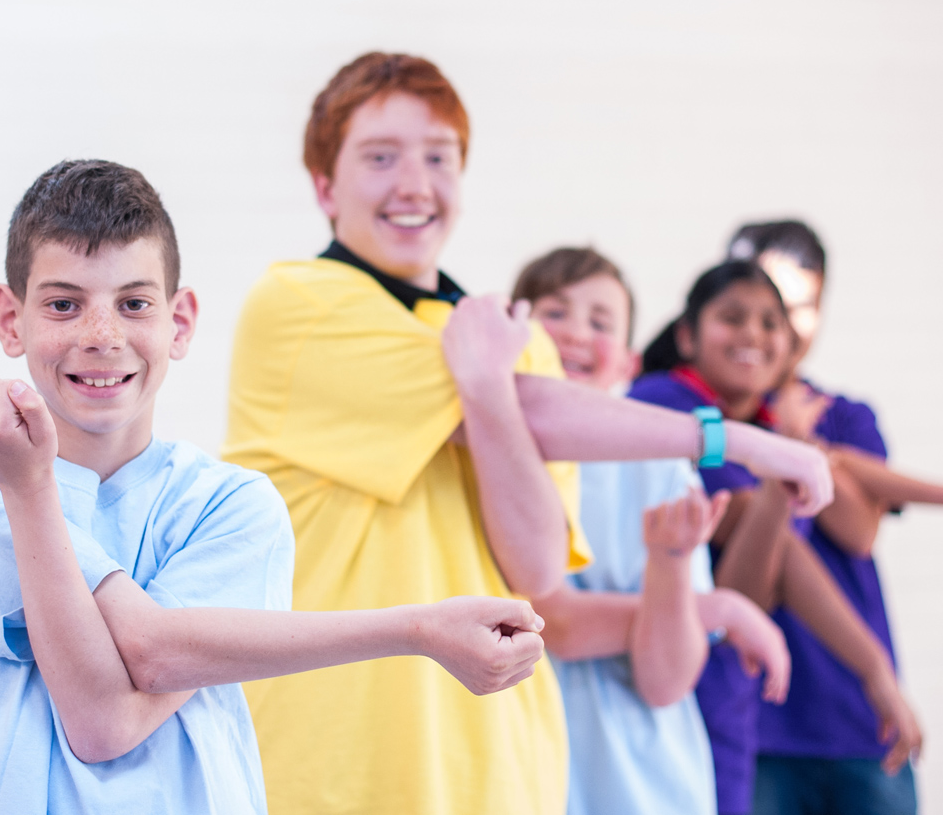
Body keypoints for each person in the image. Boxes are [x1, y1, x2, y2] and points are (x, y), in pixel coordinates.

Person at [223, 52, 833, 815]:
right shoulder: (298, 304)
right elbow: (533, 409)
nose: (414, 182)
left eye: (438, 158)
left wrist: (489, 387)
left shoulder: (510, 344)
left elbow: (539, 561)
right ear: (325, 186)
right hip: (331, 770)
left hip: (499, 775)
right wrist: (735, 440)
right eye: (381, 157)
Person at [0, 159, 557, 815]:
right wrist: (418, 628)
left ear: (180, 321)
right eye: (63, 304)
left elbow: (150, 658)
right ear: (9, 317)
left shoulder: (233, 506)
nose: (101, 337)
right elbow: (102, 721)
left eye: (134, 303)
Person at [633, 260, 921, 815]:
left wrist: (795, 446)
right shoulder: (675, 409)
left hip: (835, 717)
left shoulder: (794, 417)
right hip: (738, 707)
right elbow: (756, 582)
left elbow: (857, 528)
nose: (753, 335)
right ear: (687, 335)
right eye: (733, 316)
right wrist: (874, 669)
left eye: (772, 321)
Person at [513, 246, 792, 815]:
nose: (574, 334)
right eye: (556, 313)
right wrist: (712, 608)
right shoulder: (489, 457)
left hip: (643, 783)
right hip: (522, 765)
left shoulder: (659, 466)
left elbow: (664, 682)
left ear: (629, 363)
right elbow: (550, 624)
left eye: (600, 322)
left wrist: (670, 566)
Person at [727, 221, 923, 814]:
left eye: (802, 306)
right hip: (760, 719)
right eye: (769, 304)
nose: (782, 325)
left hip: (857, 718)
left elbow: (858, 533)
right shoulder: (715, 423)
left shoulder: (848, 414)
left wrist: (798, 442)